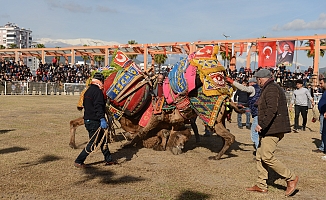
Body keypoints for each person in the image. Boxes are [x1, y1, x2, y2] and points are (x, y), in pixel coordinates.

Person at [246, 69, 298, 196]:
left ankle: (291, 178)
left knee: (266, 156)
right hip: (269, 128)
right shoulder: (269, 88)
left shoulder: (272, 88)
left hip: (273, 128)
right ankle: (261, 185)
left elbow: (271, 109)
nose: (257, 82)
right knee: (259, 156)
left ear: (260, 79)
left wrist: (261, 124)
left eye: (258, 79)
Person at [74, 72, 115, 168]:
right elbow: (98, 107)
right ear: (100, 81)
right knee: (92, 143)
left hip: (88, 120)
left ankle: (109, 160)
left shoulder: (88, 91)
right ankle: (79, 161)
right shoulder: (97, 92)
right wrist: (102, 119)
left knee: (103, 140)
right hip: (94, 121)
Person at [226, 77, 260, 150]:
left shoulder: (253, 88)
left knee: (254, 134)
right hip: (261, 112)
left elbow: (243, 88)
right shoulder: (261, 88)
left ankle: (259, 151)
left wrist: (232, 82)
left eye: (249, 83)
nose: (248, 84)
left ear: (252, 83)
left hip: (257, 113)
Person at [314, 78, 326, 156]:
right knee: (323, 131)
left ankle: (323, 147)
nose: (320, 85)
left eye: (321, 83)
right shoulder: (324, 91)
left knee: (324, 131)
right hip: (323, 114)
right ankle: (323, 146)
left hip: (325, 114)